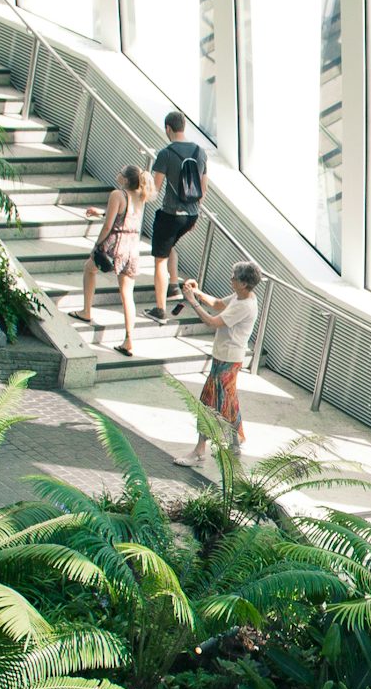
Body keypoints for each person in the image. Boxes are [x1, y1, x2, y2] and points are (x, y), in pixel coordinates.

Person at [180, 261, 263, 470]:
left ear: (243, 283)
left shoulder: (244, 305)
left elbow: (212, 321)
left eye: (234, 278)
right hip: (226, 358)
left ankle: (200, 451)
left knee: (208, 402)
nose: (231, 279)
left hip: (227, 360)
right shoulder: (241, 297)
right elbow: (218, 304)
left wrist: (192, 301)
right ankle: (235, 442)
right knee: (228, 401)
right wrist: (198, 292)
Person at [144, 112, 207, 323]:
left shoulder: (166, 153)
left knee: (159, 261)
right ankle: (173, 286)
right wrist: (194, 212)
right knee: (169, 246)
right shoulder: (200, 152)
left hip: (171, 214)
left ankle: (160, 310)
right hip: (191, 215)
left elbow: (155, 189)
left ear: (168, 128)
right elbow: (203, 189)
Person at [79, 165, 144, 358]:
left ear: (125, 179)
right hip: (132, 247)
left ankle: (86, 311)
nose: (118, 174)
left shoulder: (117, 194)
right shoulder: (139, 195)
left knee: (89, 269)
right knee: (127, 294)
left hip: (115, 245)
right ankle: (129, 339)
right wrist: (100, 212)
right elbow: (124, 215)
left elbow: (109, 225)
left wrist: (97, 245)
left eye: (121, 173)